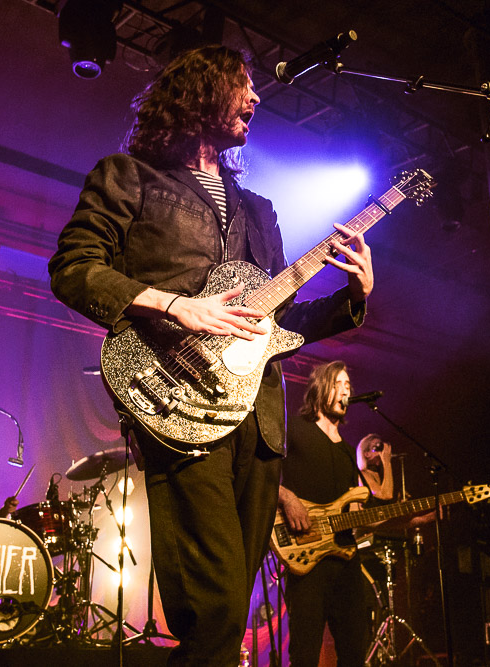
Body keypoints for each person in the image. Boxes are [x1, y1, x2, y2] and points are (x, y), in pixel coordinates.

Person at [47, 46, 372, 666]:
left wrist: (354, 297)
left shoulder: (260, 211)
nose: (255, 99)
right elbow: (73, 268)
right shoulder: (129, 175)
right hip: (178, 401)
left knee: (226, 616)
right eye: (243, 86)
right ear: (202, 89)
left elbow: (276, 321)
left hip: (258, 419)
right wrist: (175, 305)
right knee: (216, 604)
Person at [278, 361, 376, 667]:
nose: (347, 389)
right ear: (321, 387)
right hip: (306, 561)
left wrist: (414, 517)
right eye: (339, 383)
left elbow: (359, 513)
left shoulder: (348, 451)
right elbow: (258, 474)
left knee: (353, 654)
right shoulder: (293, 429)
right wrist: (287, 497)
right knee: (305, 654)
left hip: (347, 562)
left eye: (349, 385)